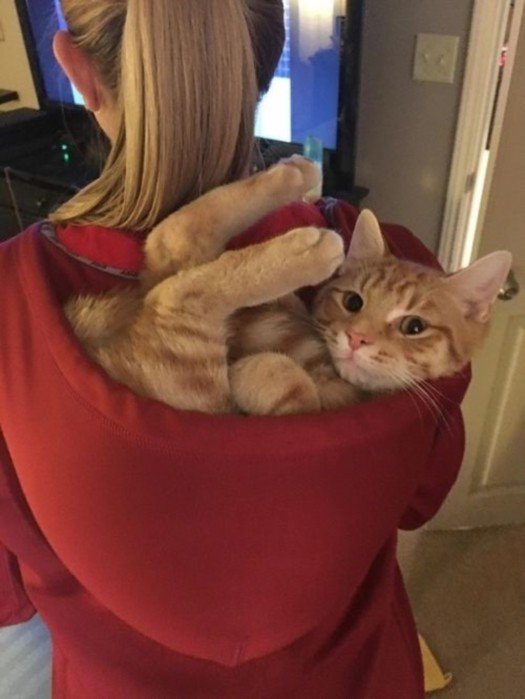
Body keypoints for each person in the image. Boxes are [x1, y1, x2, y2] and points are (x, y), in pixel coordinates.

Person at [0, 1, 469, 697]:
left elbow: (9, 589)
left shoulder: (15, 301)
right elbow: (419, 498)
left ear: (76, 70)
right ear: (268, 66)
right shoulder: (388, 271)